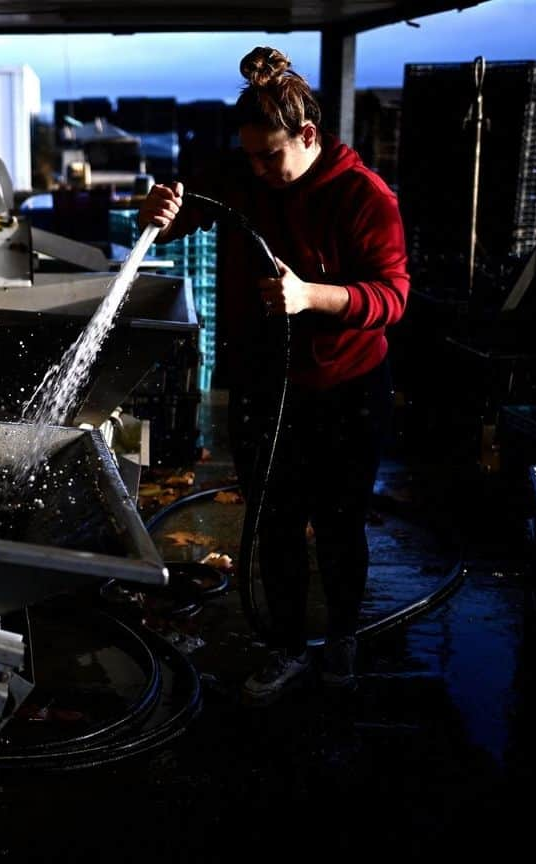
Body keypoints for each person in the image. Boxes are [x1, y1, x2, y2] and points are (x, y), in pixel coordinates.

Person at [138, 46, 409, 705]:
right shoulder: (244, 173)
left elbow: (392, 296)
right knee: (277, 521)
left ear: (308, 135)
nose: (256, 171)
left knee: (340, 523)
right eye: (248, 158)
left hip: (345, 389)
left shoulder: (362, 196)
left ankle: (341, 635)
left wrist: (311, 297)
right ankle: (287, 646)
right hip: (265, 383)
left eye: (269, 158)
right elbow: (193, 211)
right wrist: (165, 213)